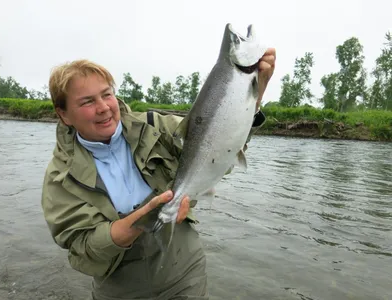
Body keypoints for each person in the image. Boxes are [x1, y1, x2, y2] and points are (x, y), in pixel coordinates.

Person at [41, 47, 276, 300]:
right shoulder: (60, 179)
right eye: (87, 101)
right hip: (120, 290)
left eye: (106, 94)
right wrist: (142, 220)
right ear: (63, 114)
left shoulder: (157, 128)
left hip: (185, 273)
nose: (103, 107)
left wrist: (254, 92)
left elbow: (218, 147)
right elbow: (82, 248)